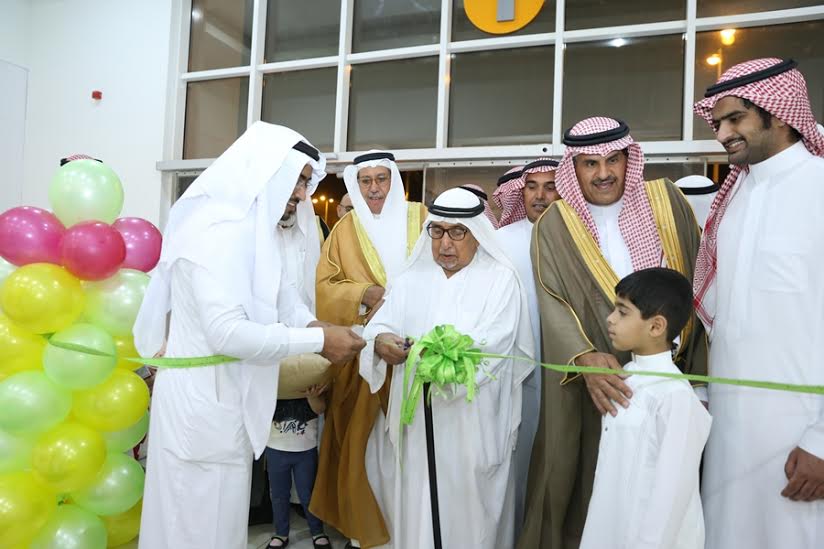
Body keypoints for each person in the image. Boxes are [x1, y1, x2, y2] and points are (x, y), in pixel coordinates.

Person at [133, 123, 366, 549]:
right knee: (194, 531)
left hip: (230, 404)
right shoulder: (216, 235)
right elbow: (228, 334)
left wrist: (323, 328)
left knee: (222, 529)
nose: (303, 195)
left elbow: (284, 301)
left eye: (306, 183)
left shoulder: (256, 232)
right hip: (200, 411)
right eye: (298, 181)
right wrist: (320, 343)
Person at [518, 117, 708, 549]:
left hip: (667, 374)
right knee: (587, 479)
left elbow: (694, 285)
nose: (603, 173)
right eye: (590, 163)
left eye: (613, 160)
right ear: (573, 167)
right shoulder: (556, 223)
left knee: (666, 487)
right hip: (595, 382)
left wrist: (693, 370)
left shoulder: (667, 202)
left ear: (629, 159)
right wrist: (583, 357)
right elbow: (551, 299)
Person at [692, 57, 824, 549]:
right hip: (729, 431)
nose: (723, 134)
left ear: (781, 114)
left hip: (800, 434)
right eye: (718, 123)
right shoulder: (735, 199)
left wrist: (822, 441)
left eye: (735, 119)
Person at [360, 187, 534, 549]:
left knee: (471, 510)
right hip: (417, 425)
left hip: (473, 421)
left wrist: (436, 358)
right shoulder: (410, 278)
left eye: (458, 232)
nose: (445, 244)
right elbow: (378, 326)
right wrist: (380, 341)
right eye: (437, 231)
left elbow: (496, 343)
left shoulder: (500, 278)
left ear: (477, 233)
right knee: (418, 500)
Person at [311, 151, 428, 549]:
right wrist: (365, 293)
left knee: (411, 446)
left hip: (416, 351)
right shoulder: (345, 228)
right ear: (356, 185)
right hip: (364, 354)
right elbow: (324, 287)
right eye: (366, 181)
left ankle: (412, 531)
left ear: (394, 181)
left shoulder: (421, 217)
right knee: (366, 447)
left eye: (382, 179)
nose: (375, 188)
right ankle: (367, 534)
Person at [580, 267, 712, 549]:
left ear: (656, 327)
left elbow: (671, 494)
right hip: (610, 528)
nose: (610, 318)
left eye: (622, 312)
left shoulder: (675, 396)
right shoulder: (626, 375)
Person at [493, 157, 559, 531]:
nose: (539, 195)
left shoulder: (579, 234)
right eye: (531, 186)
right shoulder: (502, 241)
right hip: (515, 370)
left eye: (550, 186)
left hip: (567, 369)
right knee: (520, 451)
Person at [266, 384, 331, 548]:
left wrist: (312, 397)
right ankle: (281, 532)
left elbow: (320, 408)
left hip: (305, 449)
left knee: (308, 493)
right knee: (279, 494)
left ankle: (317, 531)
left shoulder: (311, 381)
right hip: (276, 448)